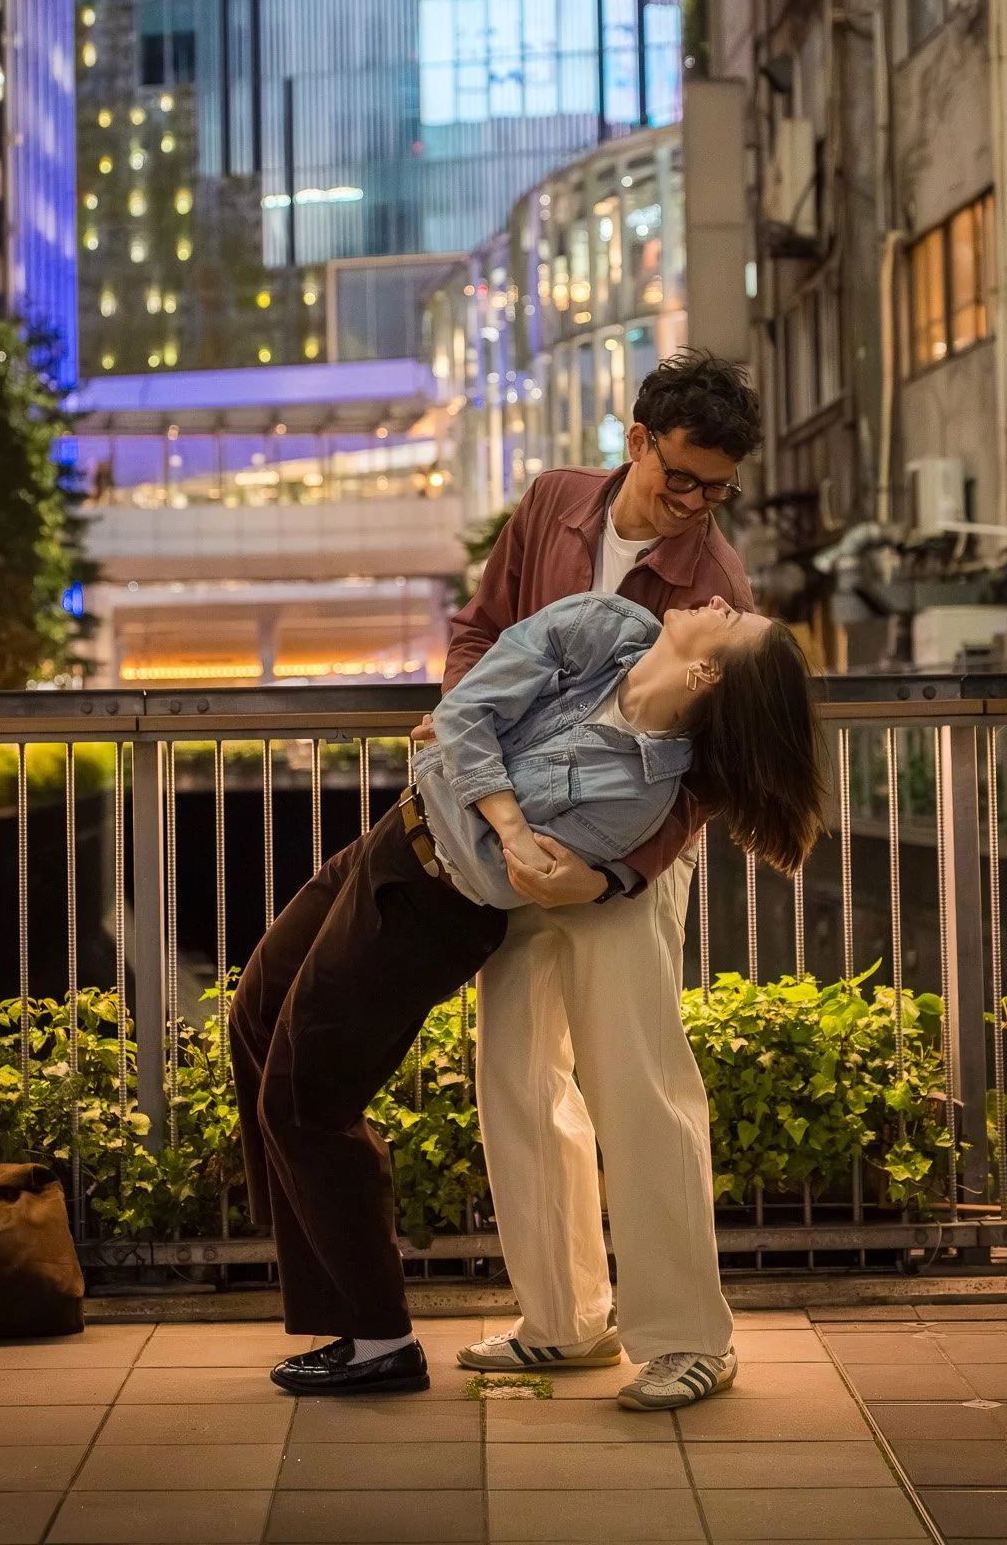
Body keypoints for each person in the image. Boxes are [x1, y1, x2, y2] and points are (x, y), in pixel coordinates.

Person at [230, 587, 826, 1400]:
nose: (720, 596)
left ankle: (376, 1337)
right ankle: (317, 1235)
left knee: (309, 1095)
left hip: (432, 903)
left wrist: (476, 779)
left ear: (707, 675)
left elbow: (484, 845)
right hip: (387, 843)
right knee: (256, 1018)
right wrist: (506, 812)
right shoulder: (604, 624)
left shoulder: (638, 792)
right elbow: (462, 712)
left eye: (730, 621)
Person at [441, 348, 771, 1409]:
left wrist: (621, 873)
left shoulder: (716, 583)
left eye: (718, 489)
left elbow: (715, 775)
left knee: (642, 1087)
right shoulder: (551, 504)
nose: (696, 506)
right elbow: (479, 631)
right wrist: (463, 726)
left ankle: (689, 1338)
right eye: (682, 477)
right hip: (517, 841)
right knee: (517, 1075)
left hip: (629, 860)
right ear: (637, 439)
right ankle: (563, 1321)